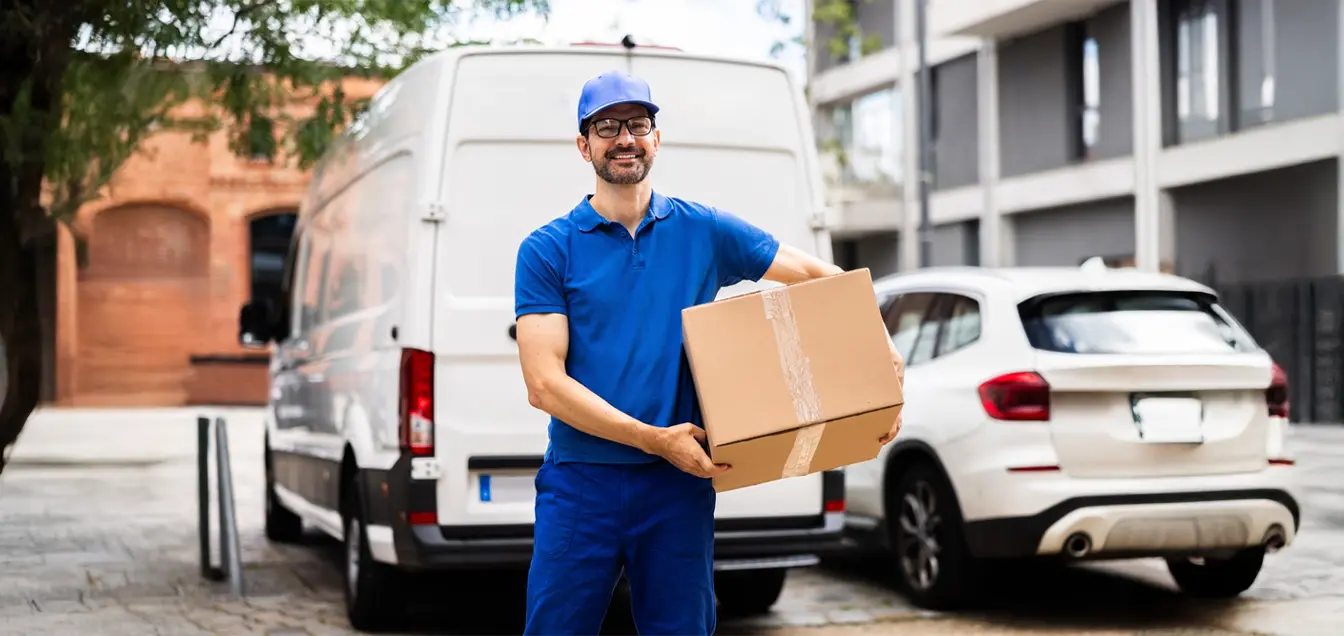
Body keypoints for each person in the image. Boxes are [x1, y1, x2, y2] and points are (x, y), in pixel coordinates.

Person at [513, 70, 906, 635]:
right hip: (582, 483)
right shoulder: (548, 249)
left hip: (678, 487)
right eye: (606, 126)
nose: (625, 138)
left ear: (656, 137)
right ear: (584, 145)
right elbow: (543, 384)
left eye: (638, 124)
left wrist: (881, 351)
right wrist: (653, 439)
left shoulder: (703, 230)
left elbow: (821, 276)